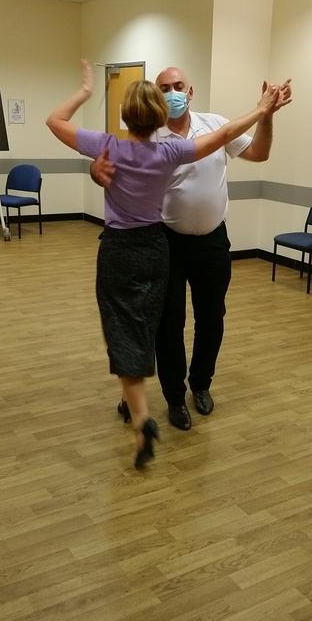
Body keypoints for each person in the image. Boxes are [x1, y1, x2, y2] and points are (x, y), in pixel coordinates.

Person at [46, 60, 287, 468]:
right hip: (164, 242)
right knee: (165, 324)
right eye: (164, 88)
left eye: (179, 86)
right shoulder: (161, 143)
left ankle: (193, 387)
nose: (173, 93)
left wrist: (267, 118)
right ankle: (174, 399)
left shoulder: (188, 130)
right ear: (157, 104)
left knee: (203, 318)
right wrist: (95, 171)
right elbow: (109, 164)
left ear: (190, 92)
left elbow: (250, 147)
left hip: (201, 242)